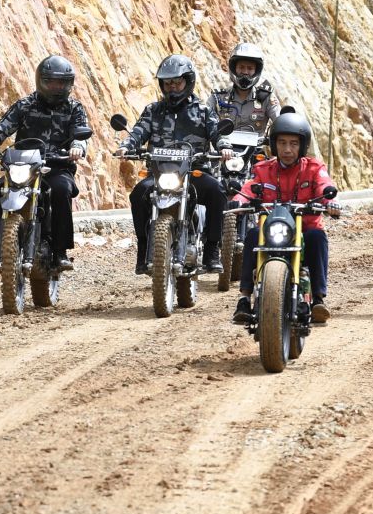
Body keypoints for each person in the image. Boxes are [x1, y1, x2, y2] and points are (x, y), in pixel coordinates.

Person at [0, 55, 90, 270]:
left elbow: (81, 135)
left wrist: (77, 148)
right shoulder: (25, 105)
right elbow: (1, 128)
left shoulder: (74, 108)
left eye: (61, 82)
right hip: (23, 165)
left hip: (57, 166)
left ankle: (60, 253)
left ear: (69, 84)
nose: (55, 87)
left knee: (61, 191)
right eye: (50, 81)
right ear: (41, 81)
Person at [116, 54, 228, 274]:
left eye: (177, 82)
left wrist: (225, 146)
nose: (172, 88)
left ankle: (212, 250)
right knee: (138, 194)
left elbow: (217, 133)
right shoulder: (153, 110)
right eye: (168, 83)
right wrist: (126, 145)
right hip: (159, 173)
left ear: (188, 81)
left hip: (194, 172)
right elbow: (139, 131)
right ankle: (143, 248)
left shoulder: (203, 111)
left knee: (217, 191)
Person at [229, 113, 338, 324]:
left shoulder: (314, 168)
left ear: (302, 145)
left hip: (304, 230)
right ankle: (244, 297)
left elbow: (325, 185)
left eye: (293, 143)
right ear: (274, 144)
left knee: (318, 237)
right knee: (252, 235)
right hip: (272, 230)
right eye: (282, 143)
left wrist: (329, 202)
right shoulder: (263, 169)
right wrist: (239, 200)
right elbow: (249, 188)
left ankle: (318, 299)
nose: (287, 149)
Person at [207, 42, 282, 141]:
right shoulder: (217, 97)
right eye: (241, 67)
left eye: (250, 68)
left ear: (257, 70)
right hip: (224, 151)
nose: (245, 72)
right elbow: (204, 122)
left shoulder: (266, 97)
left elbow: (281, 122)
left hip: (256, 152)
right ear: (234, 68)